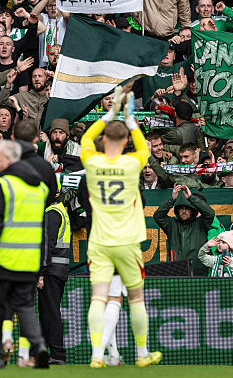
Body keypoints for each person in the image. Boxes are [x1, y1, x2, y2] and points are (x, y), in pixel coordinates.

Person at [80, 87, 161, 367]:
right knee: (136, 298)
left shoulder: (91, 161)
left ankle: (95, 356)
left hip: (99, 242)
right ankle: (141, 354)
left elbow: (86, 138)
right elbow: (145, 148)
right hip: (127, 242)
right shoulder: (131, 164)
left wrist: (109, 113)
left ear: (104, 139)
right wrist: (128, 118)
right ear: (125, 138)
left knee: (98, 298)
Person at [0, 139, 49, 369]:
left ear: (8, 159)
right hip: (29, 260)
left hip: (2, 259)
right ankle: (38, 345)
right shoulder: (39, 188)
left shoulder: (2, 186)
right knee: (25, 306)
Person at [39, 182, 71, 364]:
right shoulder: (60, 210)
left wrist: (40, 272)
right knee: (47, 311)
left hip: (51, 270)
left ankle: (57, 354)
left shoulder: (52, 213)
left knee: (50, 312)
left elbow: (47, 245)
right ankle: (47, 352)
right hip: (58, 268)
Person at [153, 184, 217, 275]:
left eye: (187, 208)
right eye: (181, 209)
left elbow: (210, 213)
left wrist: (191, 198)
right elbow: (158, 216)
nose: (184, 211)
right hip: (176, 271)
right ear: (177, 211)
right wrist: (172, 199)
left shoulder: (201, 223)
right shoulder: (172, 225)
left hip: (199, 272)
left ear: (193, 211)